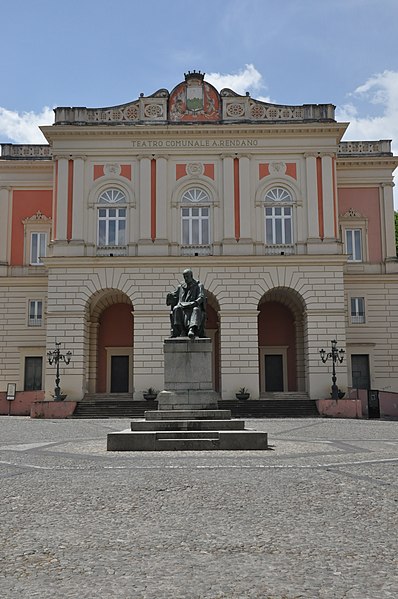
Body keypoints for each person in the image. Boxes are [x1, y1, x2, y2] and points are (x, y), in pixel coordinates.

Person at [166, 269, 206, 338]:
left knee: (196, 310)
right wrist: (170, 296)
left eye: (187, 276)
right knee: (176, 308)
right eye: (184, 277)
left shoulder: (198, 285)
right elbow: (175, 296)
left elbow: (201, 297)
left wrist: (194, 303)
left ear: (191, 276)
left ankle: (192, 329)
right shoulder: (180, 286)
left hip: (193, 306)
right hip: (182, 307)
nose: (186, 278)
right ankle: (181, 330)